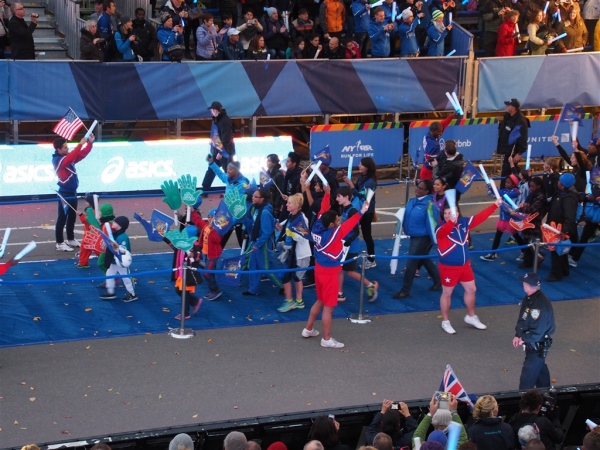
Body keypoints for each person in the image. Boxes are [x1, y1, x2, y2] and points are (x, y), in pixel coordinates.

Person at [301, 184, 369, 349]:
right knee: (328, 308)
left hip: (319, 270)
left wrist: (327, 194)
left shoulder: (317, 226)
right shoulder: (335, 233)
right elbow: (351, 223)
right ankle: (326, 338)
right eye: (337, 220)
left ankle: (308, 329)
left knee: (320, 300)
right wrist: (362, 211)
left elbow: (323, 210)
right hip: (331, 273)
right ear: (331, 224)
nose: (339, 222)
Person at [436, 199, 501, 334]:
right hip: (449, 268)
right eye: (445, 213)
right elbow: (444, 232)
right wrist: (451, 222)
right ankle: (445, 321)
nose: (447, 215)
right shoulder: (440, 228)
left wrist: (495, 205)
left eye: (450, 213)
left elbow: (480, 217)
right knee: (447, 293)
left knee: (471, 289)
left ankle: (471, 316)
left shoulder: (464, 223)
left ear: (457, 213)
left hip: (465, 266)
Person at [394, 179, 441, 298]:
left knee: (411, 262)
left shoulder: (430, 205)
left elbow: (432, 224)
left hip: (423, 237)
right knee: (424, 258)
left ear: (427, 191)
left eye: (420, 188)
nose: (417, 189)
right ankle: (438, 280)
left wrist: (436, 242)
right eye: (417, 187)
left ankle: (405, 290)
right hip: (414, 234)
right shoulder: (412, 200)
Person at [335, 187, 379, 303]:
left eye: (339, 196)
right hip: (345, 244)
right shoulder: (344, 209)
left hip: (351, 246)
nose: (337, 199)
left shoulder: (352, 211)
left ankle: (370, 285)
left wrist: (349, 240)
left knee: (349, 272)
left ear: (346, 197)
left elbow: (356, 231)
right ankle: (339, 292)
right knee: (339, 268)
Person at [52, 134, 95, 252]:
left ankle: (70, 238)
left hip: (72, 192)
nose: (67, 149)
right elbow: (71, 157)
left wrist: (90, 143)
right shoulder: (58, 160)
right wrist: (80, 144)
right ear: (58, 149)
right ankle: (59, 242)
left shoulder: (67, 157)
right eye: (65, 147)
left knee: (72, 217)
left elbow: (81, 154)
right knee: (62, 218)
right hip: (64, 194)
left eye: (67, 146)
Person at [513, 272, 555, 389]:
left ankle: (524, 399)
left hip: (536, 346)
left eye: (524, 283)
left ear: (527, 285)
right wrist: (518, 334)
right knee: (540, 371)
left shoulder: (539, 306)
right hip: (533, 344)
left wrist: (523, 338)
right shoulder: (530, 298)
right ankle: (546, 393)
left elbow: (537, 332)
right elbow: (523, 318)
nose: (522, 284)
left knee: (526, 380)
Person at [242, 188, 281, 296]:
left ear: (262, 199)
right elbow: (251, 224)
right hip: (256, 241)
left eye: (255, 196)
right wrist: (243, 217)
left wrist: (257, 244)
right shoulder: (254, 208)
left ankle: (283, 285)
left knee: (266, 267)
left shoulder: (265, 212)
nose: (252, 198)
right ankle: (252, 290)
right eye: (253, 195)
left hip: (263, 243)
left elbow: (267, 232)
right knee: (253, 265)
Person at [277, 193, 311, 312]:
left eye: (289, 203)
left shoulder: (302, 219)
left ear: (296, 205)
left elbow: (304, 238)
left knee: (291, 276)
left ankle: (292, 301)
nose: (287, 204)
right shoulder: (292, 215)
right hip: (292, 253)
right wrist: (282, 227)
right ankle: (296, 301)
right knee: (292, 277)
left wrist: (293, 235)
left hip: (299, 255)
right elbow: (288, 225)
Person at [480, 174, 526, 262]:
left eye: (508, 183)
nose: (506, 184)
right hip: (503, 218)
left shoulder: (516, 192)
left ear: (514, 184)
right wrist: (490, 188)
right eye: (506, 182)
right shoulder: (505, 190)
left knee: (516, 236)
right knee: (499, 235)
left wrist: (494, 187)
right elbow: (495, 195)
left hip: (511, 218)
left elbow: (504, 195)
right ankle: (493, 253)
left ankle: (525, 251)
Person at [343, 157, 377, 268]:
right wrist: (351, 182)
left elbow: (360, 194)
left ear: (367, 167)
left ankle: (371, 260)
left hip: (366, 211)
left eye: (361, 164)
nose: (359, 166)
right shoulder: (362, 177)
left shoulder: (370, 181)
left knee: (367, 235)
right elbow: (357, 188)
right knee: (352, 230)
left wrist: (350, 184)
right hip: (360, 209)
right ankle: (348, 253)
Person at [545, 173, 578, 282]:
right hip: (555, 227)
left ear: (563, 185)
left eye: (559, 181)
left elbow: (569, 216)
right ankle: (564, 269)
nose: (558, 182)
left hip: (560, 229)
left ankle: (556, 273)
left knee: (556, 250)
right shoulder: (559, 194)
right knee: (562, 251)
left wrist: (564, 229)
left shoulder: (569, 198)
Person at [99, 216, 138, 302]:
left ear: (120, 225)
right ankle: (110, 292)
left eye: (115, 222)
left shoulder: (123, 237)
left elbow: (124, 250)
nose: (113, 223)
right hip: (114, 260)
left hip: (121, 261)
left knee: (126, 277)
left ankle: (132, 294)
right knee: (109, 274)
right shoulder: (116, 234)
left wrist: (116, 245)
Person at [202, 101, 236, 192]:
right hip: (219, 150)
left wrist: (221, 152)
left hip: (225, 152)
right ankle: (205, 189)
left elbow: (227, 137)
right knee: (212, 169)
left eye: (212, 110)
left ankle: (233, 190)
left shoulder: (224, 121)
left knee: (228, 171)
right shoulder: (217, 120)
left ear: (216, 110)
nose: (211, 112)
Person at [496, 98, 529, 189]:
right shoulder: (507, 117)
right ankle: (518, 185)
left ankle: (504, 190)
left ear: (513, 108)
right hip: (507, 149)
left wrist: (519, 153)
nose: (506, 106)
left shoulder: (521, 121)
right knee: (511, 170)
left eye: (508, 105)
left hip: (513, 151)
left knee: (506, 171)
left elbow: (523, 137)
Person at [515, 176, 546, 269]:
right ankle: (527, 261)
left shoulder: (540, 197)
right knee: (527, 242)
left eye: (533, 186)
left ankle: (539, 256)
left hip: (535, 222)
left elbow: (531, 209)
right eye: (530, 186)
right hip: (528, 221)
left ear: (539, 186)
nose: (530, 188)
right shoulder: (532, 194)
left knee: (532, 242)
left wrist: (522, 208)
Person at [421, 115, 454, 181]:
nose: (441, 133)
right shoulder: (433, 145)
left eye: (441, 131)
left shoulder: (430, 135)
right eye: (439, 132)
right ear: (433, 131)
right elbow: (435, 160)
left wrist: (452, 115)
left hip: (427, 169)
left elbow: (443, 124)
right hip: (429, 173)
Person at [76, 194, 101, 269]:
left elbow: (86, 220)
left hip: (89, 234)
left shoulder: (90, 212)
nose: (85, 203)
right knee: (97, 248)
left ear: (90, 203)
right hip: (95, 233)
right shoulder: (97, 212)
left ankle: (83, 263)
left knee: (85, 248)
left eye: (87, 201)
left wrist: (81, 215)